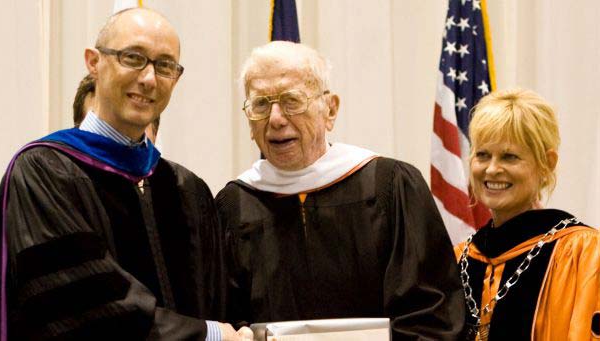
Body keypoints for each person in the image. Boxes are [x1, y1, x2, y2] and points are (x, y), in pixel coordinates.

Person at [0, 8, 250, 341]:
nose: (149, 78)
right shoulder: (42, 173)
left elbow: (219, 302)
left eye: (165, 65)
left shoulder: (188, 189)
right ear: (93, 62)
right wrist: (207, 335)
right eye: (133, 58)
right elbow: (83, 308)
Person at [215, 41, 465, 339]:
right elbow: (222, 317)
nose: (276, 119)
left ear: (330, 110)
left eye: (292, 101)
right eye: (260, 104)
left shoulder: (391, 187)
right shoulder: (232, 206)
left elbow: (433, 316)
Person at [454, 88, 600, 340]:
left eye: (509, 157)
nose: (492, 169)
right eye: (482, 155)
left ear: (548, 163)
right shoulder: (461, 258)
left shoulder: (581, 254)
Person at [73, 74, 160, 143]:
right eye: (100, 124)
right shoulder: (61, 162)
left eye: (134, 124)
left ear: (155, 134)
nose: (118, 134)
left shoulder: (160, 164)